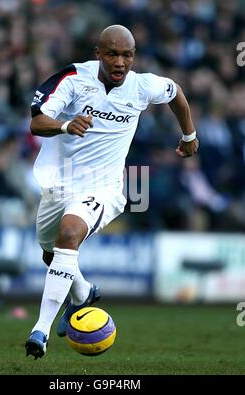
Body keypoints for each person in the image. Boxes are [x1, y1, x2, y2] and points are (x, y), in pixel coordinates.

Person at [25, 24, 199, 359]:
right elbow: (36, 121)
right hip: (61, 183)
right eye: (113, 54)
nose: (120, 62)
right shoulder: (74, 79)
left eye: (127, 55)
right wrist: (64, 124)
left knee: (69, 234)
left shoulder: (142, 86)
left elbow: (175, 92)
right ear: (98, 54)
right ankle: (83, 293)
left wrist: (189, 135)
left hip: (105, 186)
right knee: (50, 251)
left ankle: (40, 331)